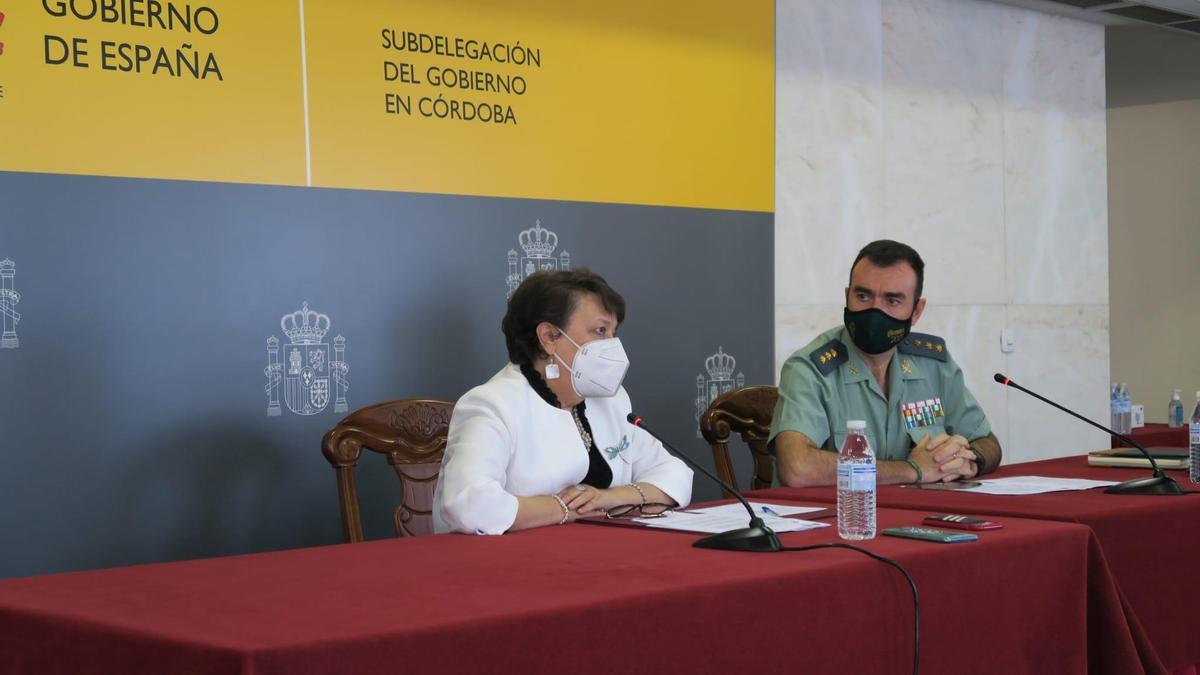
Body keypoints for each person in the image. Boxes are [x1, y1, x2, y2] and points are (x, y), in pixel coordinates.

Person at [434, 269, 693, 534]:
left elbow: (674, 474)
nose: (613, 344)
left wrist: (613, 497)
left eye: (613, 332)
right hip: (512, 564)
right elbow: (469, 505)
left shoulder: (611, 399)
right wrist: (565, 508)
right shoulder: (491, 404)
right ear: (549, 337)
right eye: (600, 330)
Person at [770, 240, 1002, 487]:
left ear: (916, 311)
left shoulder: (933, 364)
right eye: (863, 296)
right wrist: (912, 470)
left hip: (918, 516)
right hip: (841, 519)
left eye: (892, 300)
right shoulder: (810, 370)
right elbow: (797, 468)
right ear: (846, 296)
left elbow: (988, 442)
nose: (874, 311)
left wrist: (968, 460)